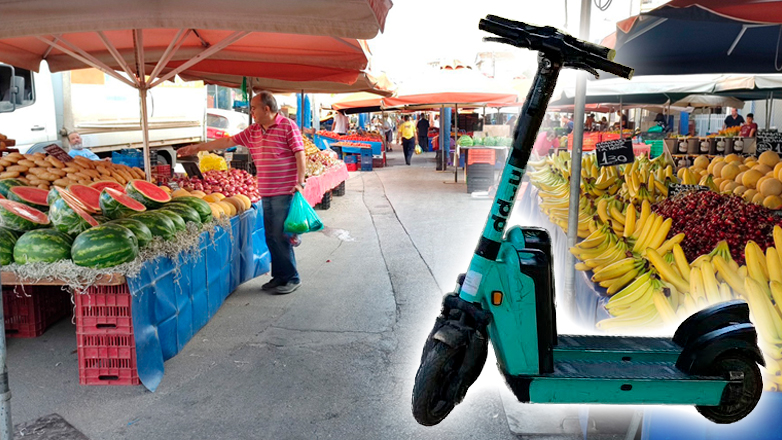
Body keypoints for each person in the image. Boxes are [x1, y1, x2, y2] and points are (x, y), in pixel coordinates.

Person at [177, 91, 305, 295]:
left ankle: (291, 277)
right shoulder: (253, 130)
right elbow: (228, 142)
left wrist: (300, 182)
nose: (251, 111)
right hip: (265, 190)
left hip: (285, 189)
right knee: (271, 236)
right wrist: (197, 148)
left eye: (254, 108)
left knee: (281, 235)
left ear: (267, 109)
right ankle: (279, 276)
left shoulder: (287, 126)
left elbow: (300, 153)